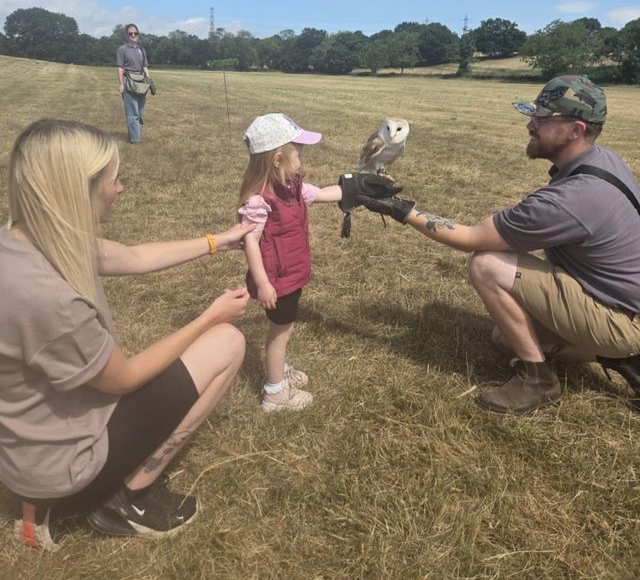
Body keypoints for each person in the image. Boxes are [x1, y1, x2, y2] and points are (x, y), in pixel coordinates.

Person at [0, 118, 254, 549]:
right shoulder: (50, 298)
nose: (120, 188)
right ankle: (125, 500)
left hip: (28, 452)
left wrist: (217, 241)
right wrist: (210, 317)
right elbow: (125, 377)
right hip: (68, 467)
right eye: (113, 179)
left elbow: (134, 257)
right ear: (77, 189)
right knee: (228, 342)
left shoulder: (24, 241)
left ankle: (40, 503)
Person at [355, 76, 640, 414]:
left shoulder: (574, 198)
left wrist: (400, 209)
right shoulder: (603, 159)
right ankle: (617, 355)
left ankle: (540, 382)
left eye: (541, 119)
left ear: (575, 130)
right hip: (622, 303)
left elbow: (471, 239)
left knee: (487, 264)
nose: (530, 126)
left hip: (622, 318)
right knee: (504, 339)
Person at [238, 113, 399, 412]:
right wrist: (262, 283)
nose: (302, 160)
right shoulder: (259, 201)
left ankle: (278, 370)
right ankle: (274, 393)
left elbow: (324, 193)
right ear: (277, 160)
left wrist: (360, 187)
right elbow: (250, 241)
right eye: (298, 154)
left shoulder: (292, 187)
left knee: (283, 330)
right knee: (280, 333)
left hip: (289, 275)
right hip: (276, 281)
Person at [116, 23, 151, 144]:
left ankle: (135, 135)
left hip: (141, 82)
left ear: (138, 34)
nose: (133, 35)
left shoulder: (142, 50)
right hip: (129, 81)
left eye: (135, 33)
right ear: (127, 35)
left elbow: (145, 67)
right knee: (132, 112)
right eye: (130, 33)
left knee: (140, 112)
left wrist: (149, 81)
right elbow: (120, 68)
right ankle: (135, 140)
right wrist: (121, 84)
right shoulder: (122, 49)